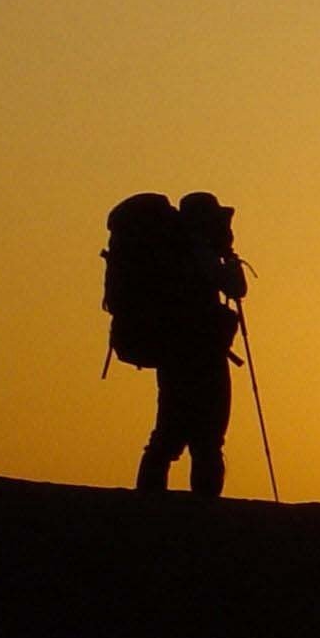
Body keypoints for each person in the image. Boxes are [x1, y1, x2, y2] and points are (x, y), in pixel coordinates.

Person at [136, 192, 247, 496]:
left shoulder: (171, 253)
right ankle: (203, 510)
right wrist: (228, 256)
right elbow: (237, 288)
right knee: (206, 439)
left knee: (168, 434)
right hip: (202, 356)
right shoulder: (198, 253)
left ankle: (148, 504)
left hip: (175, 355)